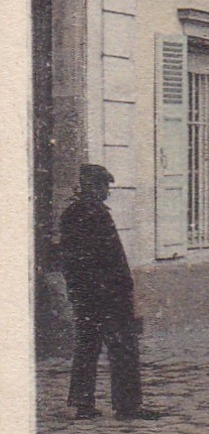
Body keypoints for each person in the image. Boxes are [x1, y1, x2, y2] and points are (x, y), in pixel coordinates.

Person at [59, 164, 160, 420]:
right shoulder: (96, 215)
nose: (106, 192)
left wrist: (79, 292)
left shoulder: (71, 215)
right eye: (103, 186)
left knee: (87, 348)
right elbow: (106, 260)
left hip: (85, 295)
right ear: (91, 186)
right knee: (124, 348)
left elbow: (71, 262)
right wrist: (120, 291)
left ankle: (82, 404)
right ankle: (128, 406)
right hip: (109, 296)